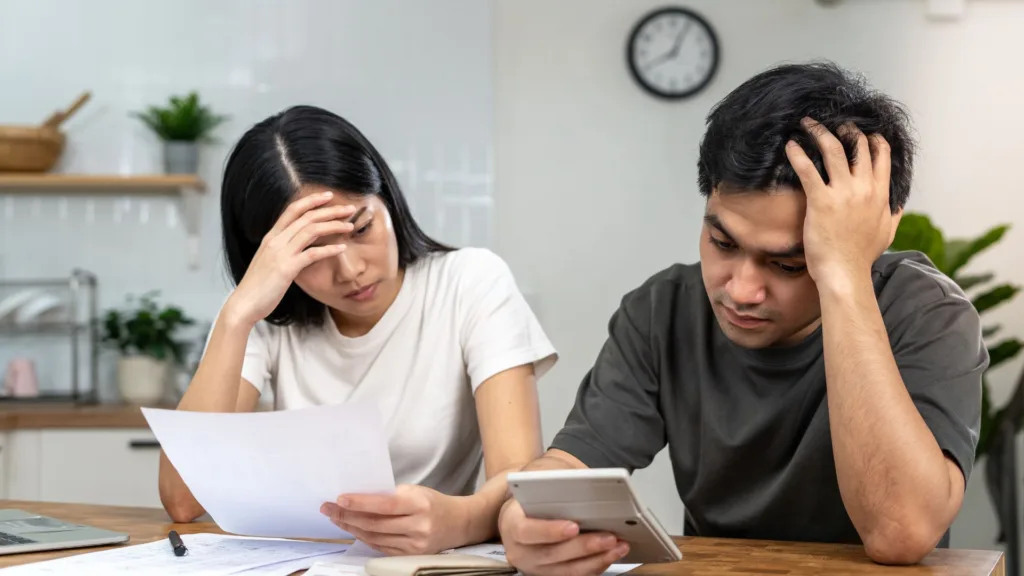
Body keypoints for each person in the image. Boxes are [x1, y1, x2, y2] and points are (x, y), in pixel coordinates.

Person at [497, 61, 986, 575]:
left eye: (790, 264)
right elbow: (569, 467)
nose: (741, 290)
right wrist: (521, 519)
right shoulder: (662, 310)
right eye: (722, 243)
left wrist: (843, 275)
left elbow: (900, 533)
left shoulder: (928, 314)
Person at [158, 105, 558, 556]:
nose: (350, 271)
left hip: (435, 562)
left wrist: (458, 520)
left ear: (387, 197)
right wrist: (236, 317)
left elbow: (519, 479)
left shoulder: (470, 282)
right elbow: (183, 501)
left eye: (361, 227)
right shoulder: (262, 317)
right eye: (311, 252)